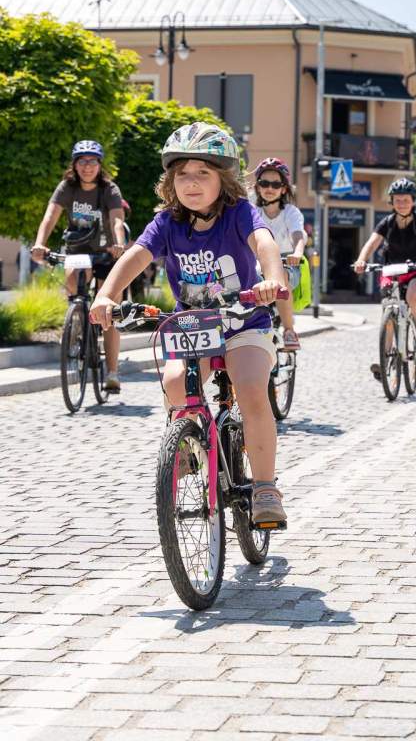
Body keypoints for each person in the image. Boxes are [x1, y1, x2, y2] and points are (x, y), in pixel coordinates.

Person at [89, 122, 287, 525]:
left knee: (250, 386)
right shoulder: (168, 223)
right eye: (182, 174)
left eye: (203, 173)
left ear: (224, 179)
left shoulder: (239, 214)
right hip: (193, 324)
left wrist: (272, 279)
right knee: (174, 382)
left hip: (244, 320)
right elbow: (135, 256)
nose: (191, 183)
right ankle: (190, 445)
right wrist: (106, 296)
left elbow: (264, 243)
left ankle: (265, 487)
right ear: (170, 181)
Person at [31, 140, 127, 392]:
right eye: (82, 161)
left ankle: (112, 373)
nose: (87, 167)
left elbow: (117, 221)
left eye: (92, 162)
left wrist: (119, 244)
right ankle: (77, 320)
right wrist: (40, 244)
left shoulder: (109, 189)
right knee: (74, 285)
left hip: (106, 252)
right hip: (78, 250)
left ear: (99, 164)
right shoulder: (67, 187)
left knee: (108, 312)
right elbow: (49, 217)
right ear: (74, 164)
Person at [354, 177, 416, 371]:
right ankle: (386, 358)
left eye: (406, 200)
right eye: (398, 200)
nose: (402, 204)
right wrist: (362, 259)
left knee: (413, 295)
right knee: (388, 309)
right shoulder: (387, 222)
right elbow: (372, 243)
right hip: (392, 270)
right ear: (392, 202)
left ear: (413, 201)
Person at [252, 157, 305, 350]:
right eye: (264, 183)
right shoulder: (252, 210)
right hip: (257, 264)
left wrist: (298, 252)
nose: (270, 188)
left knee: (280, 273)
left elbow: (298, 235)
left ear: (284, 189)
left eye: (276, 184)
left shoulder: (291, 212)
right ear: (257, 187)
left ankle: (289, 330)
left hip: (286, 264)